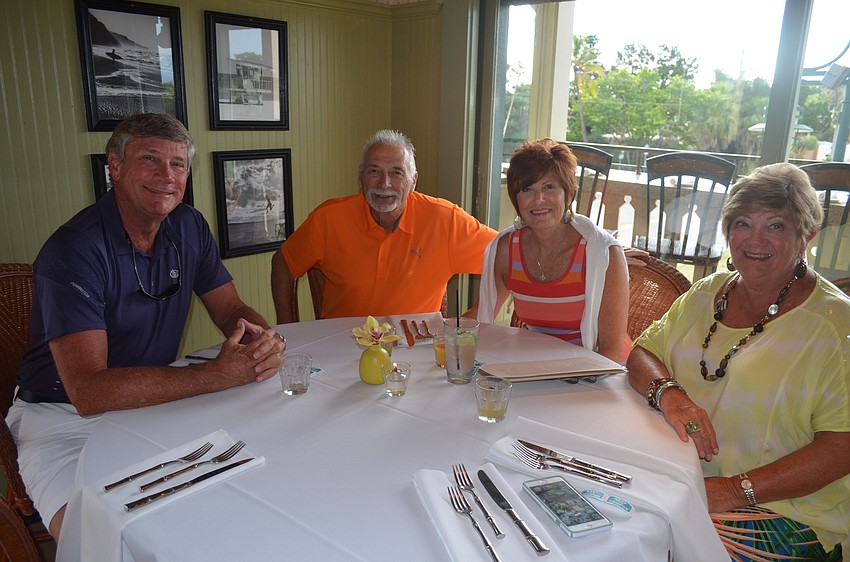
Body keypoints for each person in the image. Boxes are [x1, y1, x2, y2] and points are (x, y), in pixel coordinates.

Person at [8, 113, 285, 540]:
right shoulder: (73, 250)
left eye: (177, 164)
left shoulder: (189, 225)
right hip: (61, 419)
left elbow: (230, 309)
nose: (166, 176)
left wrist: (261, 339)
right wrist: (214, 375)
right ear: (114, 166)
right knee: (99, 541)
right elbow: (89, 391)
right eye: (149, 160)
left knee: (236, 495)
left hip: (156, 401)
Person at [626, 163, 849, 560]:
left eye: (776, 226)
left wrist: (734, 489)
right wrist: (670, 393)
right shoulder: (707, 292)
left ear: (806, 235)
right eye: (742, 223)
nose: (755, 239)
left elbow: (842, 445)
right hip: (684, 481)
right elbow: (643, 353)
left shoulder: (834, 326)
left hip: (785, 511)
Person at [271, 129, 497, 322]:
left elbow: (506, 257)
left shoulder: (446, 220)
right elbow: (284, 263)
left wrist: (473, 318)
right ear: (360, 177)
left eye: (397, 173)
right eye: (374, 171)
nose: (384, 183)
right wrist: (288, 329)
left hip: (415, 347)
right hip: (343, 343)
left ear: (413, 181)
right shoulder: (328, 219)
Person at [468, 138, 630, 363]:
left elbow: (610, 351)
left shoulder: (603, 254)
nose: (538, 200)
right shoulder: (506, 249)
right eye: (527, 189)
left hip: (597, 372)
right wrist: (436, 333)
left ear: (569, 193)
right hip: (537, 366)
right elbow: (479, 318)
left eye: (549, 187)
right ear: (516, 199)